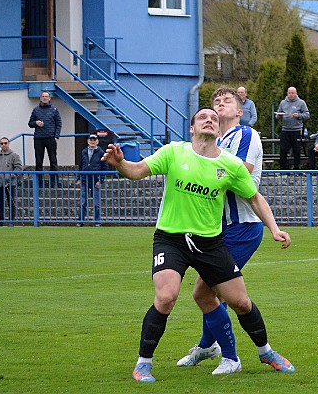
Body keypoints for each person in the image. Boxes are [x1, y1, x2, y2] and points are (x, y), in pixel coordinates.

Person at [102, 107, 294, 382]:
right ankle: (143, 363)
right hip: (171, 239)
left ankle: (266, 352)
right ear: (192, 128)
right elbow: (137, 171)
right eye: (203, 117)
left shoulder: (229, 164)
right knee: (167, 296)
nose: (210, 120)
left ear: (218, 130)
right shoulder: (173, 152)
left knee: (240, 301)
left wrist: (274, 229)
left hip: (210, 242)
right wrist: (120, 163)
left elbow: (254, 198)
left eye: (214, 119)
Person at [177, 87, 293, 370]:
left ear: (240, 111)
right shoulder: (213, 140)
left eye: (227, 100)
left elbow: (236, 172)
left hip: (242, 225)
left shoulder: (245, 134)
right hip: (218, 227)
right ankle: (210, 346)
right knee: (211, 292)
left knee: (210, 291)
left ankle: (230, 352)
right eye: (216, 100)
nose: (220, 103)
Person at [28, 91, 62, 187]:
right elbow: (30, 123)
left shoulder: (54, 110)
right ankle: (39, 183)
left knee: (53, 161)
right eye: (43, 96)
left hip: (50, 138)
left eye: (46, 96)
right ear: (40, 98)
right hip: (38, 138)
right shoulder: (36, 110)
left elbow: (59, 123)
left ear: (50, 98)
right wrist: (36, 123)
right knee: (39, 161)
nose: (45, 98)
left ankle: (54, 182)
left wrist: (56, 136)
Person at [0, 136, 22, 226]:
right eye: (2, 143)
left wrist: (10, 177)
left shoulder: (14, 155)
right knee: (0, 203)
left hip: (10, 183)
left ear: (9, 144)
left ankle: (11, 221)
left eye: (5, 143)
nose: (3, 145)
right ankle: (1, 221)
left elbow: (18, 168)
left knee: (11, 202)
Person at [275, 87, 309, 169]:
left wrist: (299, 116)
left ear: (296, 93)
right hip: (285, 130)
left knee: (296, 150)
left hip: (296, 130)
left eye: (293, 93)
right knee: (283, 150)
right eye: (289, 93)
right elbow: (277, 114)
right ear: (287, 93)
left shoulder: (301, 103)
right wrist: (279, 115)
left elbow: (307, 115)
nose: (291, 94)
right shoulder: (283, 103)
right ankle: (283, 169)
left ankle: (297, 168)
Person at [76, 134, 106, 226]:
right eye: (91, 140)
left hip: (95, 180)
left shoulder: (101, 152)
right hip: (85, 179)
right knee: (82, 202)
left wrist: (100, 180)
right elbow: (81, 166)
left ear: (97, 141)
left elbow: (104, 167)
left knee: (96, 203)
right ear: (88, 141)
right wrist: (78, 178)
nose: (92, 142)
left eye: (94, 140)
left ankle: (97, 221)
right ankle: (80, 221)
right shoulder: (84, 152)